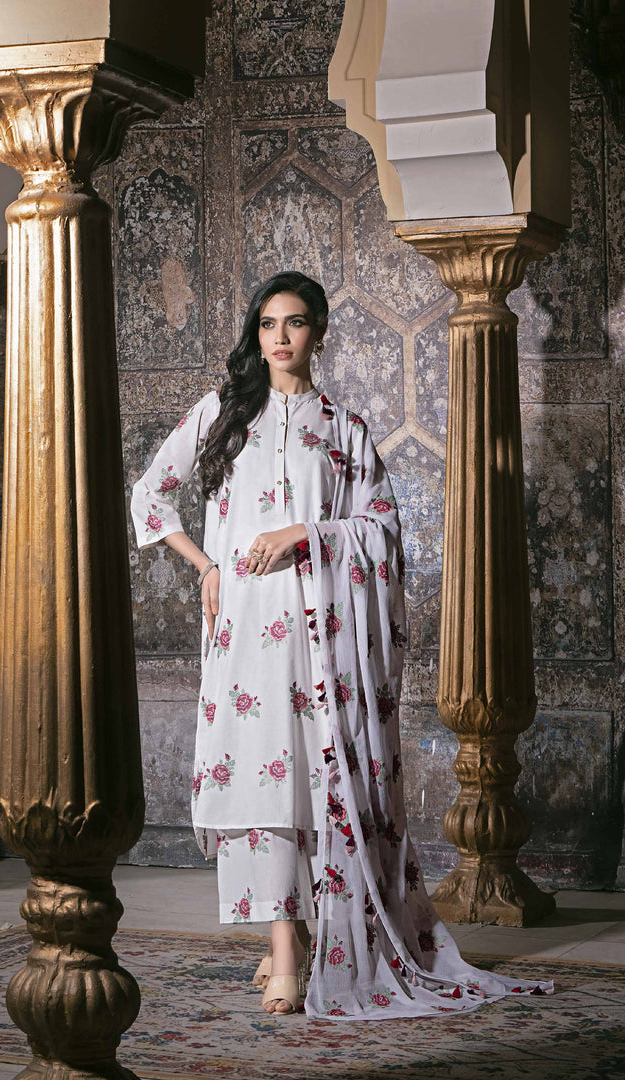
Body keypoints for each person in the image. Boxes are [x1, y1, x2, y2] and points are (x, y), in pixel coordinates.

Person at [131, 270, 554, 1019]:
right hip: (244, 634)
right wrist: (206, 567)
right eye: (268, 324)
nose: (280, 337)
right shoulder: (222, 413)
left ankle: (294, 942)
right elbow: (150, 493)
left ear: (318, 332)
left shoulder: (342, 429)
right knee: (261, 782)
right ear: (256, 334)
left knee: (309, 780)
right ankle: (285, 943)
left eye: (294, 323)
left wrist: (305, 534)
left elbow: (383, 531)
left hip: (319, 639)